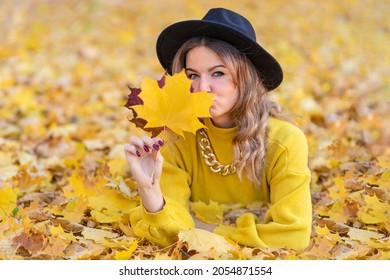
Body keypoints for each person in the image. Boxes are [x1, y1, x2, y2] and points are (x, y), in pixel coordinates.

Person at [124, 7, 312, 251]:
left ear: (247, 77)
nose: (203, 87)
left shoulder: (285, 141)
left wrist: (205, 229)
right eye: (192, 75)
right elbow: (167, 232)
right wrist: (149, 191)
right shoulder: (178, 137)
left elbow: (293, 237)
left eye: (218, 73)